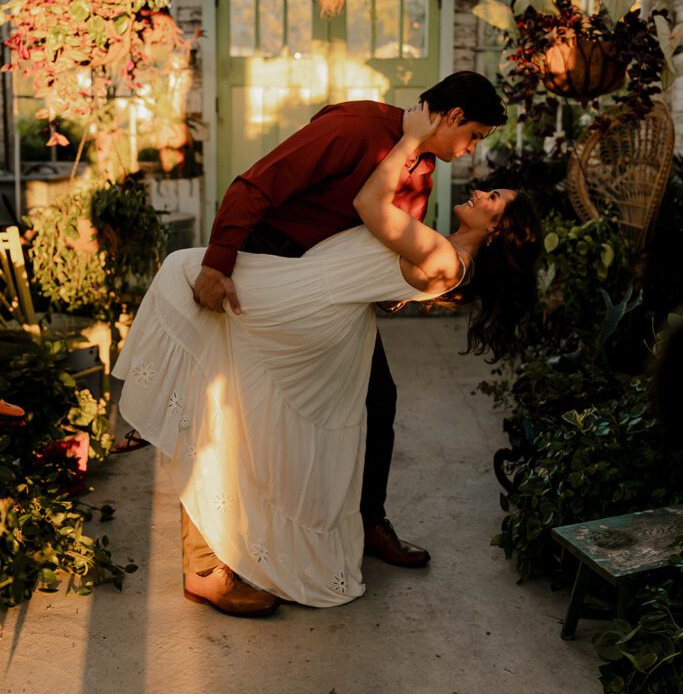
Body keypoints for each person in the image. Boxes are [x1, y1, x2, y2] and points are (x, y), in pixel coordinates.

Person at [113, 104, 542, 616]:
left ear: (497, 230)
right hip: (304, 294)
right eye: (472, 136)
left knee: (244, 403)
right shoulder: (401, 185)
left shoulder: (445, 254)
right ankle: (206, 563)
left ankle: (239, 544)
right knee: (224, 379)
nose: (477, 182)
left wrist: (409, 140)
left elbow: (370, 206)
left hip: (306, 307)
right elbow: (385, 261)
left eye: (492, 197)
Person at [189, 71, 507, 587]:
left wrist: (396, 287)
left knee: (376, 399)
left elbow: (381, 247)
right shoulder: (355, 128)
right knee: (250, 409)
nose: (471, 150)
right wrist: (218, 261)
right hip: (270, 269)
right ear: (453, 116)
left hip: (336, 302)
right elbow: (256, 184)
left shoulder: (422, 172)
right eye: (473, 135)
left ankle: (366, 522)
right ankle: (222, 548)